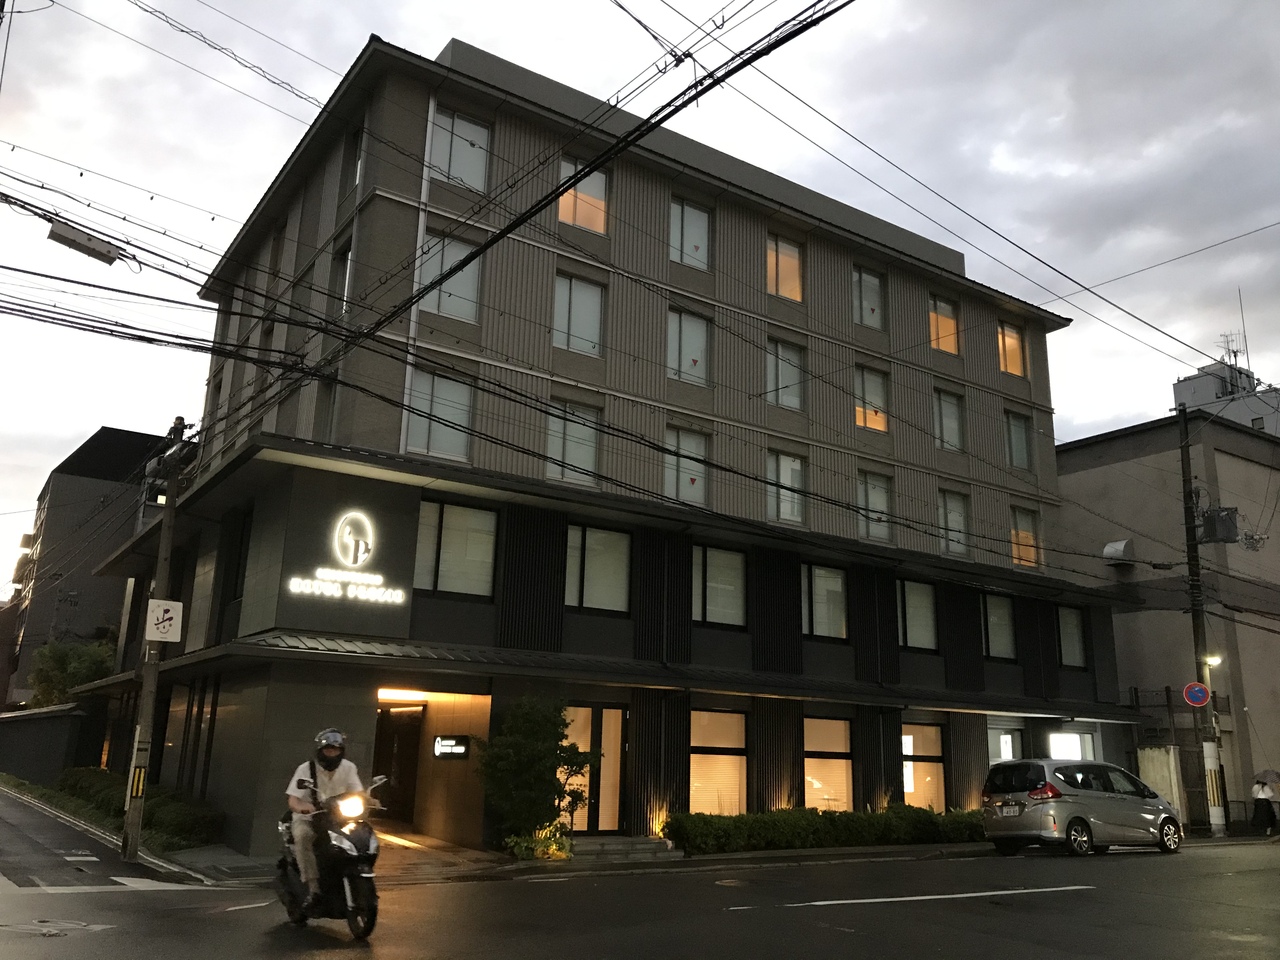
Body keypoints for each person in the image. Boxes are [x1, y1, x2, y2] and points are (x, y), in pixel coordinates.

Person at [286, 728, 363, 910]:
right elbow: (293, 799)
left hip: (339, 817)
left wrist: (370, 800)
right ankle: (313, 889)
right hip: (310, 817)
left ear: (341, 751)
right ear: (320, 751)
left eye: (335, 750)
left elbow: (357, 792)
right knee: (303, 836)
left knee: (361, 835)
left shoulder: (349, 767)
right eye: (328, 750)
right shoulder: (306, 769)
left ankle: (356, 875)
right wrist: (303, 808)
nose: (332, 753)